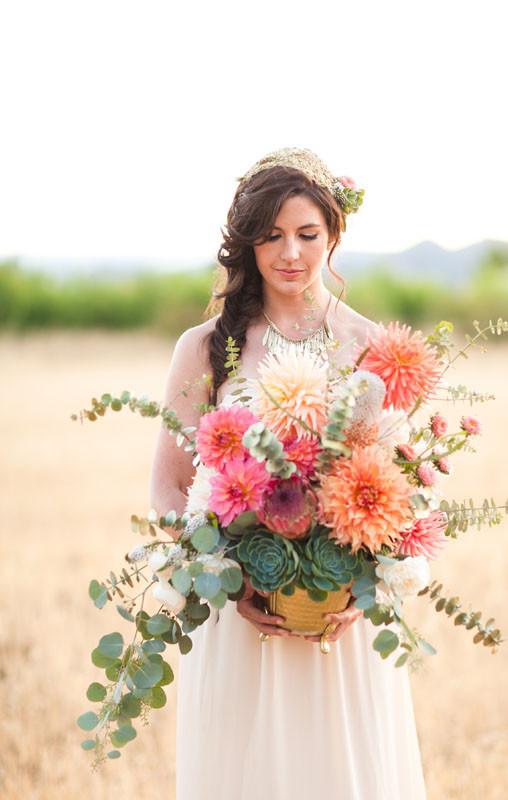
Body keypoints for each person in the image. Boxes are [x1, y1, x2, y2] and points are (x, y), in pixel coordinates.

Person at [150, 148, 426, 799]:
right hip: (239, 622)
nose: (291, 253)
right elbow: (167, 486)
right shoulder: (204, 348)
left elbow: (406, 489)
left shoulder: (371, 346)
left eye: (307, 233)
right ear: (246, 242)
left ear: (333, 234)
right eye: (271, 235)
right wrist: (225, 576)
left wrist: (365, 586)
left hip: (342, 628)